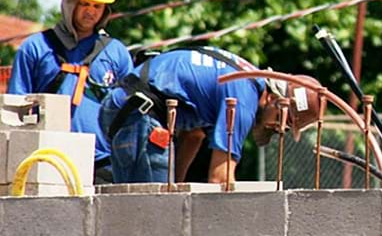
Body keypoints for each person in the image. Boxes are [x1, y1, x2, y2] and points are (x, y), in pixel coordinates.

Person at [98, 46, 322, 183]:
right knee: (155, 217)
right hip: (140, 113)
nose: (277, 129)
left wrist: (175, 188)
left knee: (135, 211)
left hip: (126, 108)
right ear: (276, 99)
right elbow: (220, 178)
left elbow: (194, 136)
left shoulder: (244, 78)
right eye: (284, 122)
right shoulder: (244, 97)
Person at [8, 0, 133, 183]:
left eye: (97, 6)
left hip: (103, 163)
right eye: (85, 4)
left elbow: (129, 114)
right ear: (70, 2)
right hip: (48, 160)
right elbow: (15, 112)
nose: (91, 12)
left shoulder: (117, 53)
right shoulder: (36, 48)